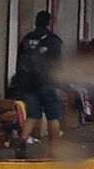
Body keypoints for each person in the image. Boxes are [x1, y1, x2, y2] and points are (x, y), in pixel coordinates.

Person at [17, 10, 64, 144]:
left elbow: (19, 61)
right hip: (47, 83)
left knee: (32, 115)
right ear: (49, 22)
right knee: (53, 116)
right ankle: (54, 147)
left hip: (28, 84)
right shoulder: (53, 40)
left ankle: (22, 140)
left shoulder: (26, 38)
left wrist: (21, 82)